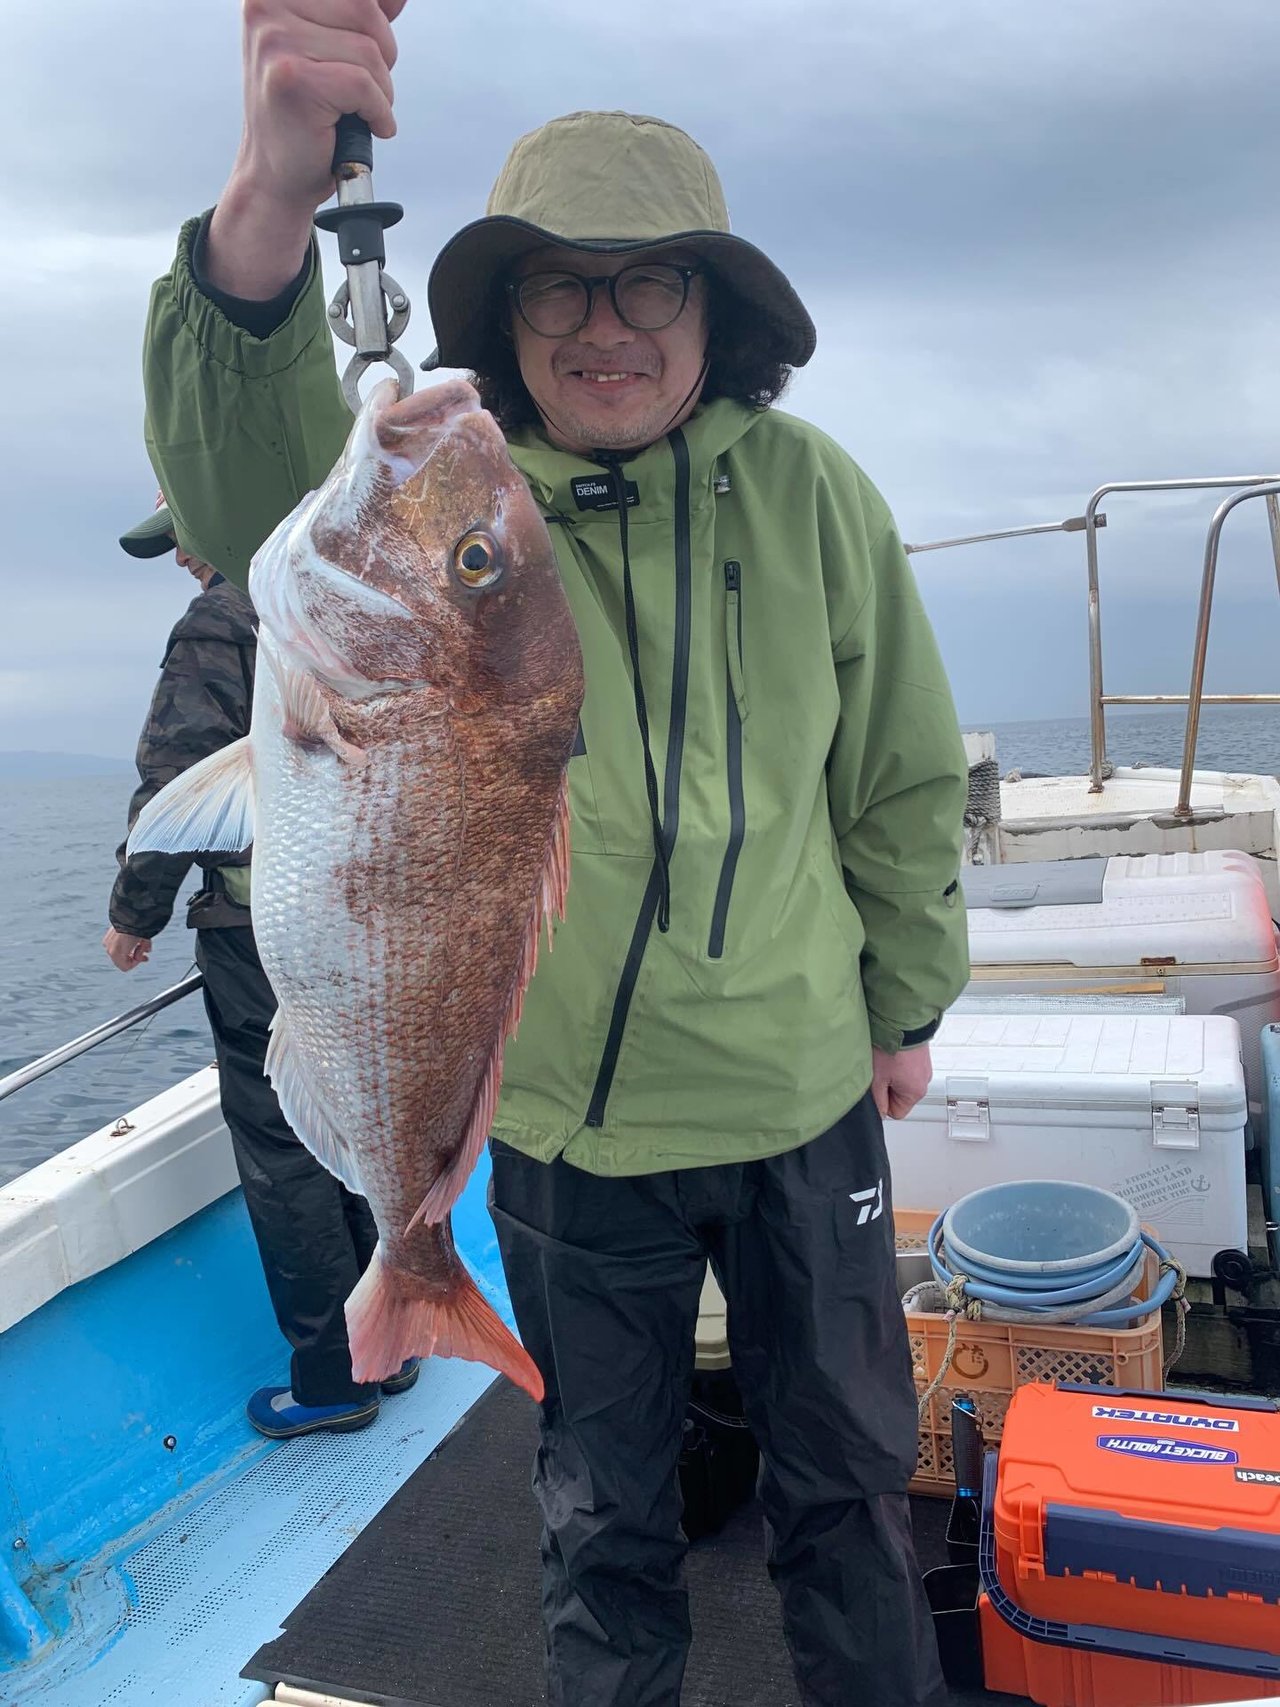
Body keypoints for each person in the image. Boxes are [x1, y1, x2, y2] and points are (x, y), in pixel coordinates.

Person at [140, 7, 970, 1702]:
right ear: (504, 318)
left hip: (802, 1089)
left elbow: (894, 776)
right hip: (566, 1130)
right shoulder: (467, 507)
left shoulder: (815, 496)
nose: (603, 327)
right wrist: (268, 207)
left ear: (715, 309)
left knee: (848, 1496)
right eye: (557, 287)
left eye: (648, 284)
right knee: (603, 1518)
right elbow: (242, 491)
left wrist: (905, 1003)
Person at [109, 497, 417, 1438]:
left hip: (262, 934)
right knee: (350, 1122)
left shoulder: (217, 619)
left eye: (178, 536)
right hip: (360, 925)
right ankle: (390, 1342)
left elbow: (176, 779)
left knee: (285, 1150)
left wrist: (133, 914)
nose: (177, 558)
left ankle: (333, 1377)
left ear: (214, 512)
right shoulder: (337, 597)